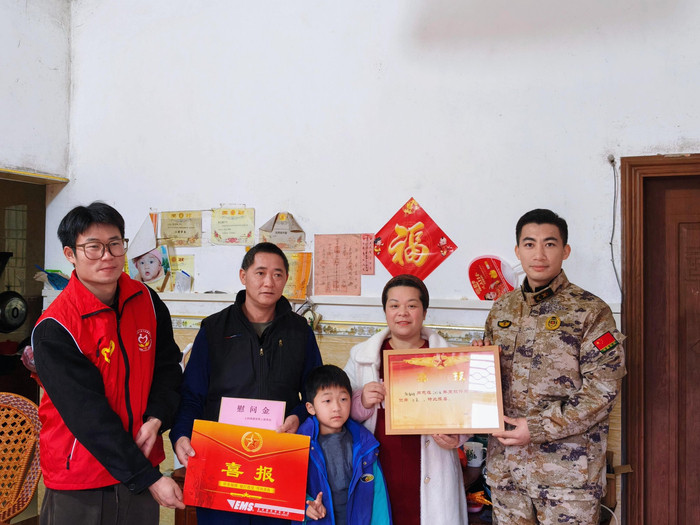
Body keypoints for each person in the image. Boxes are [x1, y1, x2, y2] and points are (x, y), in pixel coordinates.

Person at [31, 202, 185, 525]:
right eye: (93, 247)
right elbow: (88, 416)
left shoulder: (147, 301)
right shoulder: (56, 327)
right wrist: (148, 477)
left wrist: (157, 417)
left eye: (115, 244)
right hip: (81, 479)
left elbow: (168, 369)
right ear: (70, 254)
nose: (107, 256)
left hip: (141, 466)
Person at [477, 209, 626, 524]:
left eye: (550, 244)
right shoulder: (502, 309)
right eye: (529, 244)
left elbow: (603, 391)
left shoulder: (591, 311)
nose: (539, 254)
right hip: (507, 473)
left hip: (567, 479)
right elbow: (488, 385)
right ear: (518, 251)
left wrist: (536, 427)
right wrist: (473, 367)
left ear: (565, 250)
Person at [170, 241, 323, 525]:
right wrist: (180, 435)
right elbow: (192, 394)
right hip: (221, 464)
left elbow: (316, 394)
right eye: (260, 272)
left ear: (286, 280)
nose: (269, 282)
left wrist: (297, 416)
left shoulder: (299, 331)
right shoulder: (214, 329)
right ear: (243, 276)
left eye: (278, 274)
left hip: (277, 464)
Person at [343, 274, 468, 525]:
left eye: (412, 305)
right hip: (380, 464)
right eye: (394, 305)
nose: (403, 312)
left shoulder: (448, 356)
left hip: (431, 465)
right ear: (385, 311)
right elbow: (339, 410)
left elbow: (466, 409)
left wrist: (457, 437)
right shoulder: (362, 357)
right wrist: (362, 401)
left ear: (424, 311)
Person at [298, 365, 392, 525]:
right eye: (327, 401)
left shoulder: (365, 444)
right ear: (311, 408)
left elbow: (378, 497)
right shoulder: (300, 444)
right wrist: (305, 507)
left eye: (343, 399)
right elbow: (287, 489)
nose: (336, 407)